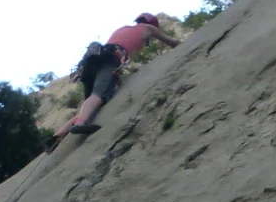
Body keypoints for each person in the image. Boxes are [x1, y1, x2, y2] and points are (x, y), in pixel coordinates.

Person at [50, 14, 180, 144]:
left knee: (89, 104)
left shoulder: (122, 29)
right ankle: (79, 124)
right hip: (111, 59)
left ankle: (56, 137)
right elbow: (171, 42)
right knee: (98, 95)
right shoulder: (148, 28)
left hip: (91, 62)